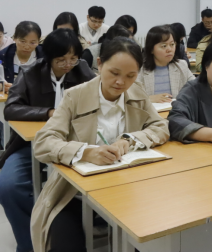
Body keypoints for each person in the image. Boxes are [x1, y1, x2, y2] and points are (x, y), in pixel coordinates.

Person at [31, 37, 170, 252]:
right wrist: (86, 152)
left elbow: (160, 127)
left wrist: (129, 140)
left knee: (154, 236)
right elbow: (43, 142)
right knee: (64, 243)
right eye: (114, 73)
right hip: (75, 193)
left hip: (129, 188)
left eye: (130, 76)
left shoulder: (137, 93)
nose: (121, 82)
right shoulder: (75, 96)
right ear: (100, 64)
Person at [0, 29, 95, 252]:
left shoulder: (82, 69)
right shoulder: (30, 72)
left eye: (73, 58)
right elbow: (11, 108)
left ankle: (65, 234)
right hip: (32, 144)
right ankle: (31, 243)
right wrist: (49, 112)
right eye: (61, 59)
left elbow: (100, 96)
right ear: (48, 57)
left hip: (74, 144)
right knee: (8, 186)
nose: (68, 64)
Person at [136, 25, 195, 104]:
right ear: (151, 49)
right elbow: (130, 96)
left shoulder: (181, 65)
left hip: (176, 110)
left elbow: (196, 88)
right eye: (164, 46)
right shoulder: (140, 70)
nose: (169, 49)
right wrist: (148, 98)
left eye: (172, 44)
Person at [0, 21, 44, 89]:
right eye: (23, 41)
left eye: (32, 43)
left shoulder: (45, 56)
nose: (27, 47)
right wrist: (3, 86)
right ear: (14, 38)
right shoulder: (3, 55)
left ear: (38, 41)